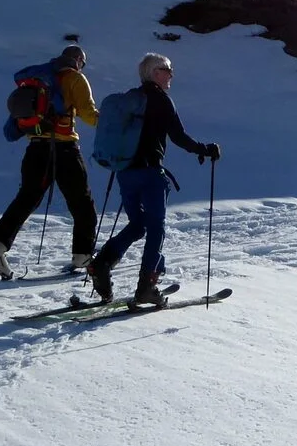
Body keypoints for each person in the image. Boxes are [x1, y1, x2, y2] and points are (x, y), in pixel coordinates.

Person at [87, 53, 220, 306]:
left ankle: (101, 263)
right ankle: (147, 286)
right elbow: (179, 137)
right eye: (167, 69)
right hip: (149, 174)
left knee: (139, 225)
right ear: (154, 72)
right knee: (156, 227)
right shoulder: (160, 100)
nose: (171, 74)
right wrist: (205, 149)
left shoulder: (131, 100)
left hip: (125, 173)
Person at [0, 45, 100, 278]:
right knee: (82, 204)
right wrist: (110, 121)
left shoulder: (38, 79)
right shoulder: (75, 79)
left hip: (35, 148)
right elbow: (88, 115)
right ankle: (83, 255)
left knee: (27, 199)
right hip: (64, 149)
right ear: (78, 61)